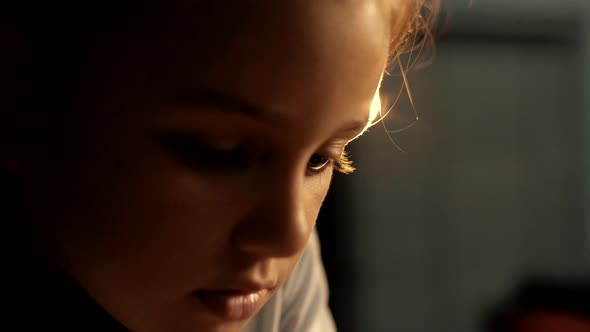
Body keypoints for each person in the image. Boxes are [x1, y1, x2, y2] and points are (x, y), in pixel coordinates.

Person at [0, 0, 437, 331]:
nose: (290, 236)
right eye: (220, 151)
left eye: (322, 158)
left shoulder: (264, 292)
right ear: (20, 102)